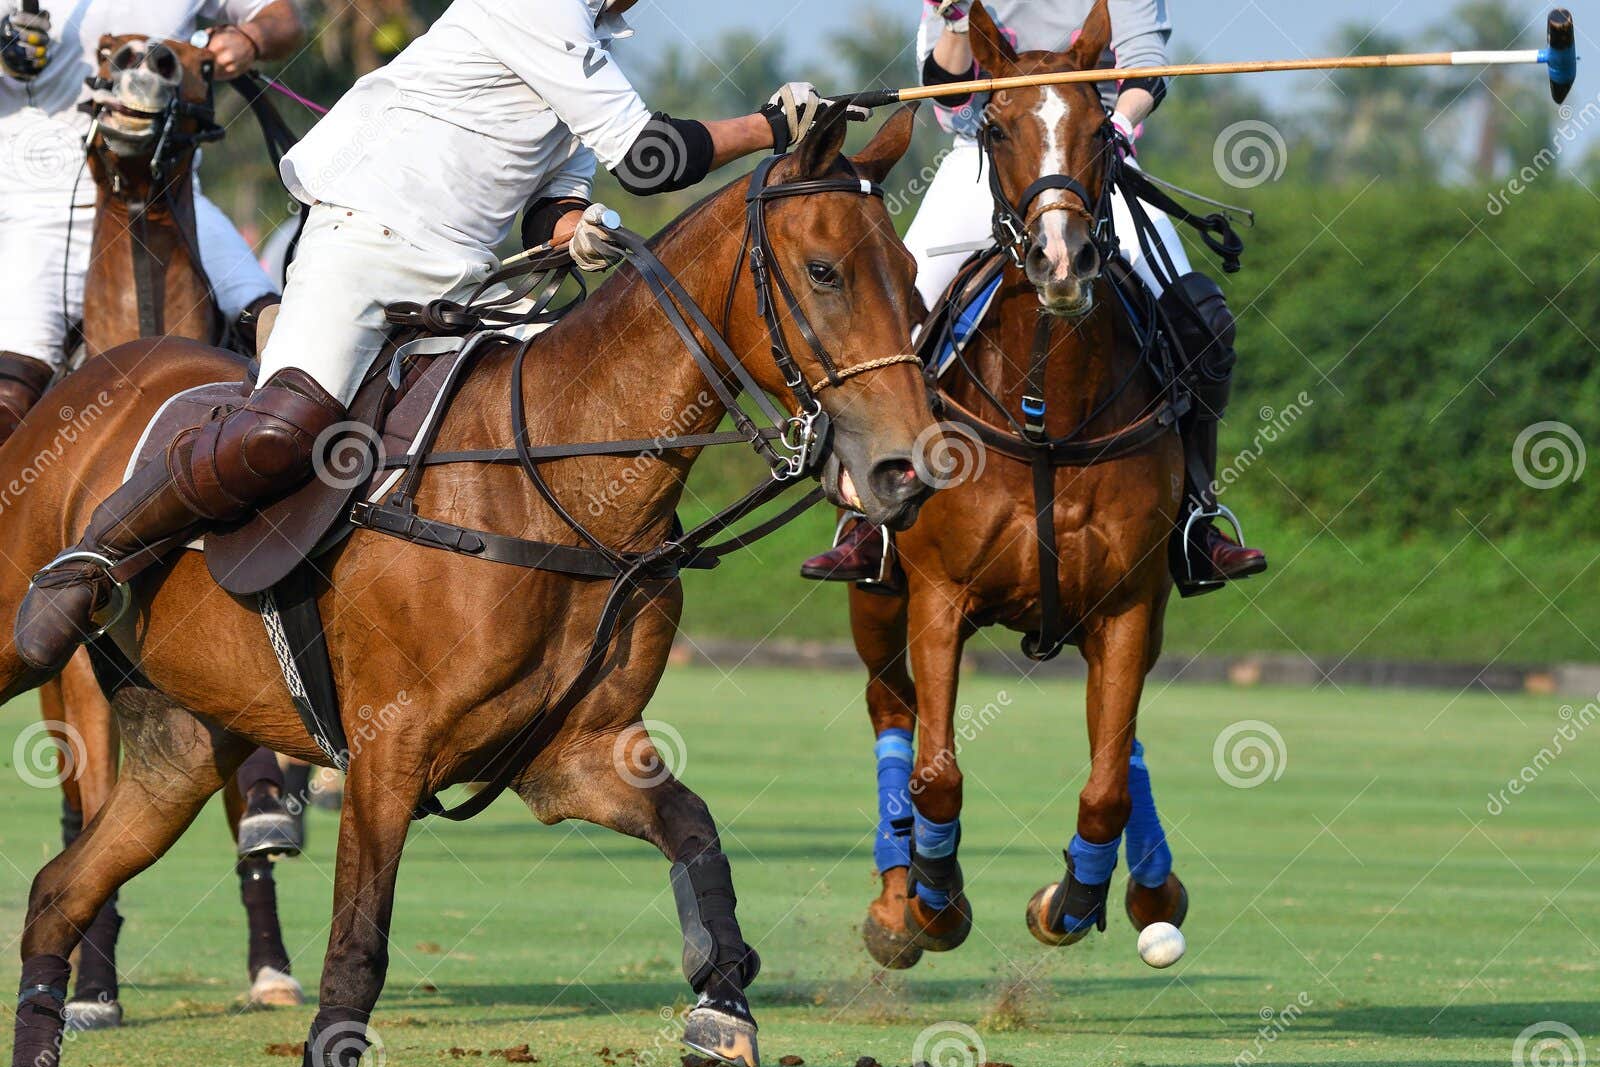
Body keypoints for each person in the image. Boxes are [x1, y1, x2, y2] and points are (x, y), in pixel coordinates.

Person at [16, 0, 845, 671]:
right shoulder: (537, 6)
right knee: (283, 429)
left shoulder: (590, 54)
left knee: (578, 416)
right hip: (362, 245)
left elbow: (552, 203)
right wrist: (774, 128)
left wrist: (576, 230)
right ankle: (92, 556)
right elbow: (653, 158)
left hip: (466, 281)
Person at [799, 0, 1267, 593]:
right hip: (986, 161)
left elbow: (1145, 67)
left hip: (1090, 158)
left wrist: (1114, 128)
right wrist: (955, 19)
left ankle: (1196, 520)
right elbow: (948, 96)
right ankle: (867, 520)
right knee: (891, 321)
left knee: (1200, 322)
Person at [0, 2, 301, 439]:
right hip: (38, 214)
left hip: (173, 205)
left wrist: (251, 39)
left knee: (280, 334)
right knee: (8, 399)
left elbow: (282, 16)